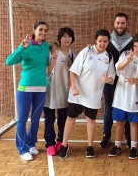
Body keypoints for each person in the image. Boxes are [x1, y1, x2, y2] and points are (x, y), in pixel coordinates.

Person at [58, 29, 116, 159]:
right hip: (77, 94)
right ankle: (64, 145)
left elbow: (112, 76)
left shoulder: (109, 57)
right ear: (96, 40)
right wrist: (73, 87)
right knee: (70, 119)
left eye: (105, 41)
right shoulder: (86, 51)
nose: (102, 43)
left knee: (91, 120)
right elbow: (73, 71)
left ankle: (90, 147)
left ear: (108, 42)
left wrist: (108, 79)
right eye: (100, 41)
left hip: (94, 96)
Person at [5, 21, 50, 161]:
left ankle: (30, 144)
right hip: (25, 88)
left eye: (45, 30)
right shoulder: (27, 45)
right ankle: (22, 149)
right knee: (22, 119)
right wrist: (21, 48)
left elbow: (47, 66)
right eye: (40, 30)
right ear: (34, 30)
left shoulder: (47, 46)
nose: (43, 32)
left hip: (41, 88)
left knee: (36, 119)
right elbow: (9, 62)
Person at [108, 33, 138, 160]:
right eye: (135, 46)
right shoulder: (125, 54)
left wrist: (136, 81)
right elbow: (117, 68)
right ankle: (117, 145)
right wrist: (127, 61)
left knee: (133, 123)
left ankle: (134, 147)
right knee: (119, 122)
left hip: (135, 96)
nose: (137, 49)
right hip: (121, 95)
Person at [100, 13, 133, 148]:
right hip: (110, 80)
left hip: (126, 81)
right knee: (109, 108)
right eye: (118, 23)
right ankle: (106, 136)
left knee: (126, 108)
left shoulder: (132, 41)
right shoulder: (107, 40)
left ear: (126, 24)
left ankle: (128, 137)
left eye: (123, 23)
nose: (120, 25)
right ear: (114, 24)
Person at [43, 27, 76, 156]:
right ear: (59, 38)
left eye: (69, 36)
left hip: (64, 92)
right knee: (49, 120)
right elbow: (46, 72)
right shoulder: (51, 53)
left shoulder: (73, 55)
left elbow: (76, 73)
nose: (67, 39)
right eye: (64, 36)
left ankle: (60, 141)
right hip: (50, 91)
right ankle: (50, 144)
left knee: (62, 120)